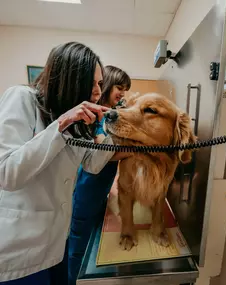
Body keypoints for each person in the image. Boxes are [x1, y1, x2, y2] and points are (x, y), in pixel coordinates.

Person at [0, 42, 130, 284]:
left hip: (57, 241)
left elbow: (91, 163)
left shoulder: (77, 119)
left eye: (100, 84)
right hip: (19, 249)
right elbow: (7, 173)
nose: (96, 91)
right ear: (70, 78)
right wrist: (61, 126)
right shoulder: (22, 99)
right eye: (92, 83)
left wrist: (117, 132)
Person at [68, 65, 131, 284]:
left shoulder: (110, 115)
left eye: (125, 89)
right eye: (119, 87)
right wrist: (140, 150)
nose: (122, 93)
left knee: (89, 248)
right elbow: (103, 153)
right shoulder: (94, 116)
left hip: (98, 194)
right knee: (78, 251)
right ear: (106, 85)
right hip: (85, 194)